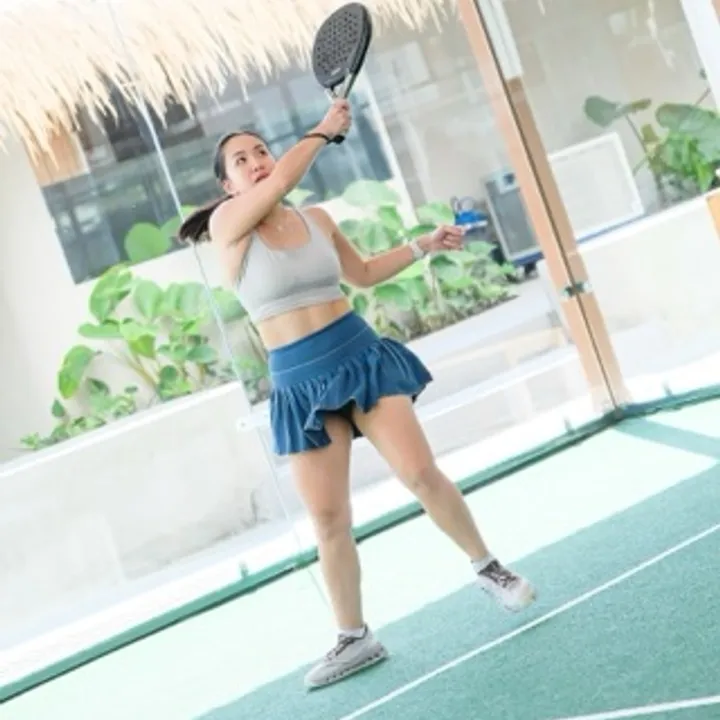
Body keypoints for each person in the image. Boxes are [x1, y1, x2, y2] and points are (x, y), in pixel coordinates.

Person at [178, 99, 536, 690]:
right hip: (298, 383)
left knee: (420, 473)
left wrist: (423, 245)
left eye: (261, 151)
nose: (257, 162)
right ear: (227, 186)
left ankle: (489, 568)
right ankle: (354, 637)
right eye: (241, 160)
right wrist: (323, 131)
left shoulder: (318, 219)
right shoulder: (228, 228)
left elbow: (363, 273)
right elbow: (285, 180)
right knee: (328, 518)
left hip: (359, 357)